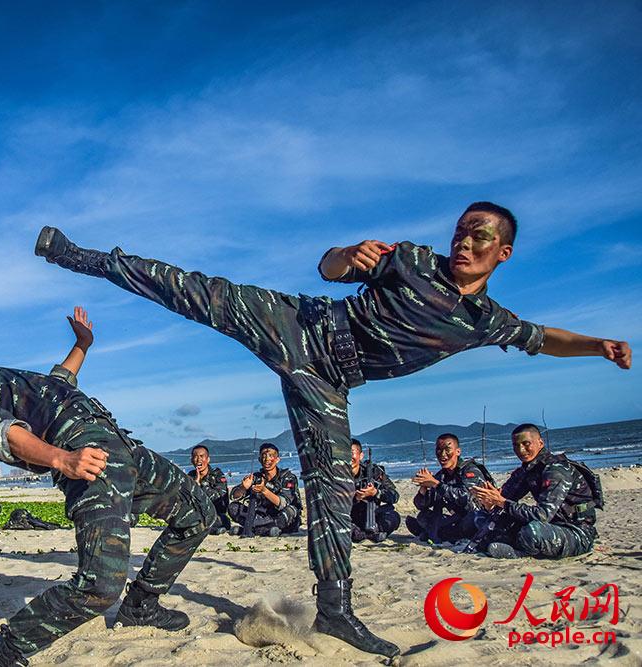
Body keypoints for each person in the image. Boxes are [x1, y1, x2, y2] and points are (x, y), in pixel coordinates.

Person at [34, 201, 632, 658]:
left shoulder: (484, 320)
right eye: (461, 231)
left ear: (503, 252)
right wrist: (349, 254)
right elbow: (329, 268)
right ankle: (76, 255)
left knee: (331, 490)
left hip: (327, 382)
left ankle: (336, 609)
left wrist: (598, 347)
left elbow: (544, 337)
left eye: (481, 236)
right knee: (191, 289)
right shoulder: (415, 259)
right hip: (299, 324)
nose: (465, 241)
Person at [0, 307, 214, 667]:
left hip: (122, 448)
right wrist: (61, 460)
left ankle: (141, 606)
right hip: (87, 456)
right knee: (100, 585)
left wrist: (82, 344)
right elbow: (3, 435)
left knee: (199, 513)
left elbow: (57, 387)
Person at [470, 424, 601, 559]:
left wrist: (501, 502)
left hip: (576, 531)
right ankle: (515, 544)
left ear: (540, 443)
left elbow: (542, 515)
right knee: (481, 517)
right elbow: (504, 497)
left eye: (526, 444)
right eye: (516, 445)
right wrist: (489, 502)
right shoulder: (528, 469)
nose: (521, 450)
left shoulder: (556, 470)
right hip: (550, 525)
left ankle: (519, 553)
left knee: (532, 531)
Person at [406, 433, 491, 542]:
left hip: (476, 516)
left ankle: (435, 533)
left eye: (447, 450)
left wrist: (436, 484)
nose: (443, 454)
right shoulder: (441, 475)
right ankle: (440, 532)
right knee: (423, 516)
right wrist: (423, 489)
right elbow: (421, 505)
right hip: (457, 518)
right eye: (439, 450)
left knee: (472, 520)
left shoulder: (470, 470)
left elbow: (465, 497)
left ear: (457, 452)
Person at [227, 442, 302, 536]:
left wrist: (264, 491)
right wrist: (243, 488)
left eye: (271, 456)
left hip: (280, 515)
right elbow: (233, 496)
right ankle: (266, 530)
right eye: (264, 456)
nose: (267, 459)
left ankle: (254, 529)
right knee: (233, 507)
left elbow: (283, 503)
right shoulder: (256, 478)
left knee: (290, 511)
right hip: (262, 516)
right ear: (259, 459)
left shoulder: (287, 477)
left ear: (277, 459)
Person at [349, 439, 400, 542]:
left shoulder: (374, 472)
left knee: (394, 517)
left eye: (351, 453)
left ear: (361, 455)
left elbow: (394, 496)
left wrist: (376, 493)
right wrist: (356, 498)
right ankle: (362, 535)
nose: (349, 458)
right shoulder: (338, 474)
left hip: (373, 516)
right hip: (350, 517)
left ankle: (371, 533)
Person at [188, 444, 230, 535]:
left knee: (220, 521)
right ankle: (211, 530)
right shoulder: (190, 476)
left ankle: (210, 529)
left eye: (201, 456)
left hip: (216, 513)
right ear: (192, 460)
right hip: (196, 514)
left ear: (208, 459)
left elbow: (219, 498)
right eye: (195, 457)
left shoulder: (217, 474)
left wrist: (200, 485)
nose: (198, 459)